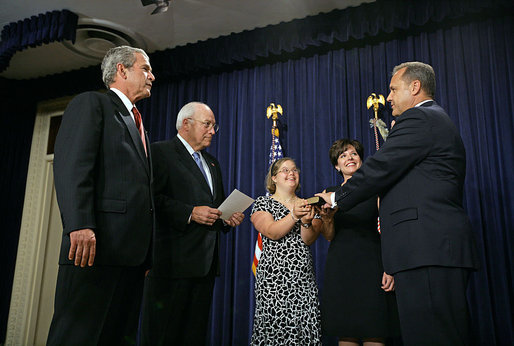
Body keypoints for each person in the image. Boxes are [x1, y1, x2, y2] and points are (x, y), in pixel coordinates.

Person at [317, 62, 479, 345]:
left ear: (414, 87)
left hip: (428, 250)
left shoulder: (420, 119)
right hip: (428, 251)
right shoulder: (431, 120)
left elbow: (381, 167)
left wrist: (335, 198)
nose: (388, 97)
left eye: (393, 89)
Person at [48, 45, 155, 346]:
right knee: (77, 337)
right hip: (93, 251)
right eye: (145, 68)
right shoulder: (91, 104)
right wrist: (79, 224)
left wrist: (147, 252)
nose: (152, 76)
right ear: (122, 70)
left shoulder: (138, 122)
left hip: (130, 258)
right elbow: (72, 167)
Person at [140, 101, 244, 345]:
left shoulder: (213, 163)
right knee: (162, 336)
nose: (212, 131)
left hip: (205, 266)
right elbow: (149, 199)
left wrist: (226, 218)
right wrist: (189, 212)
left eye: (214, 126)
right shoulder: (160, 152)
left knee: (193, 337)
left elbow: (214, 208)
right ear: (185, 124)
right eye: (207, 124)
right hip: (171, 264)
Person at [319, 138, 400, 346]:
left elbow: (389, 229)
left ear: (361, 160)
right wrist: (327, 219)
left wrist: (390, 267)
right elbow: (329, 235)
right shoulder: (330, 193)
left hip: (373, 263)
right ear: (337, 166)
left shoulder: (377, 190)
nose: (350, 158)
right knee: (346, 332)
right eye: (343, 155)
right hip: (341, 266)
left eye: (354, 154)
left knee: (375, 330)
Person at [250, 157, 323, 345]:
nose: (291, 173)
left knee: (304, 332)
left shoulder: (308, 204)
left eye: (294, 170)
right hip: (273, 284)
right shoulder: (262, 203)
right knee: (275, 334)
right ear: (274, 178)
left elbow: (309, 239)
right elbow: (272, 232)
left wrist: (306, 221)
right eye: (284, 170)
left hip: (303, 281)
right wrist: (293, 215)